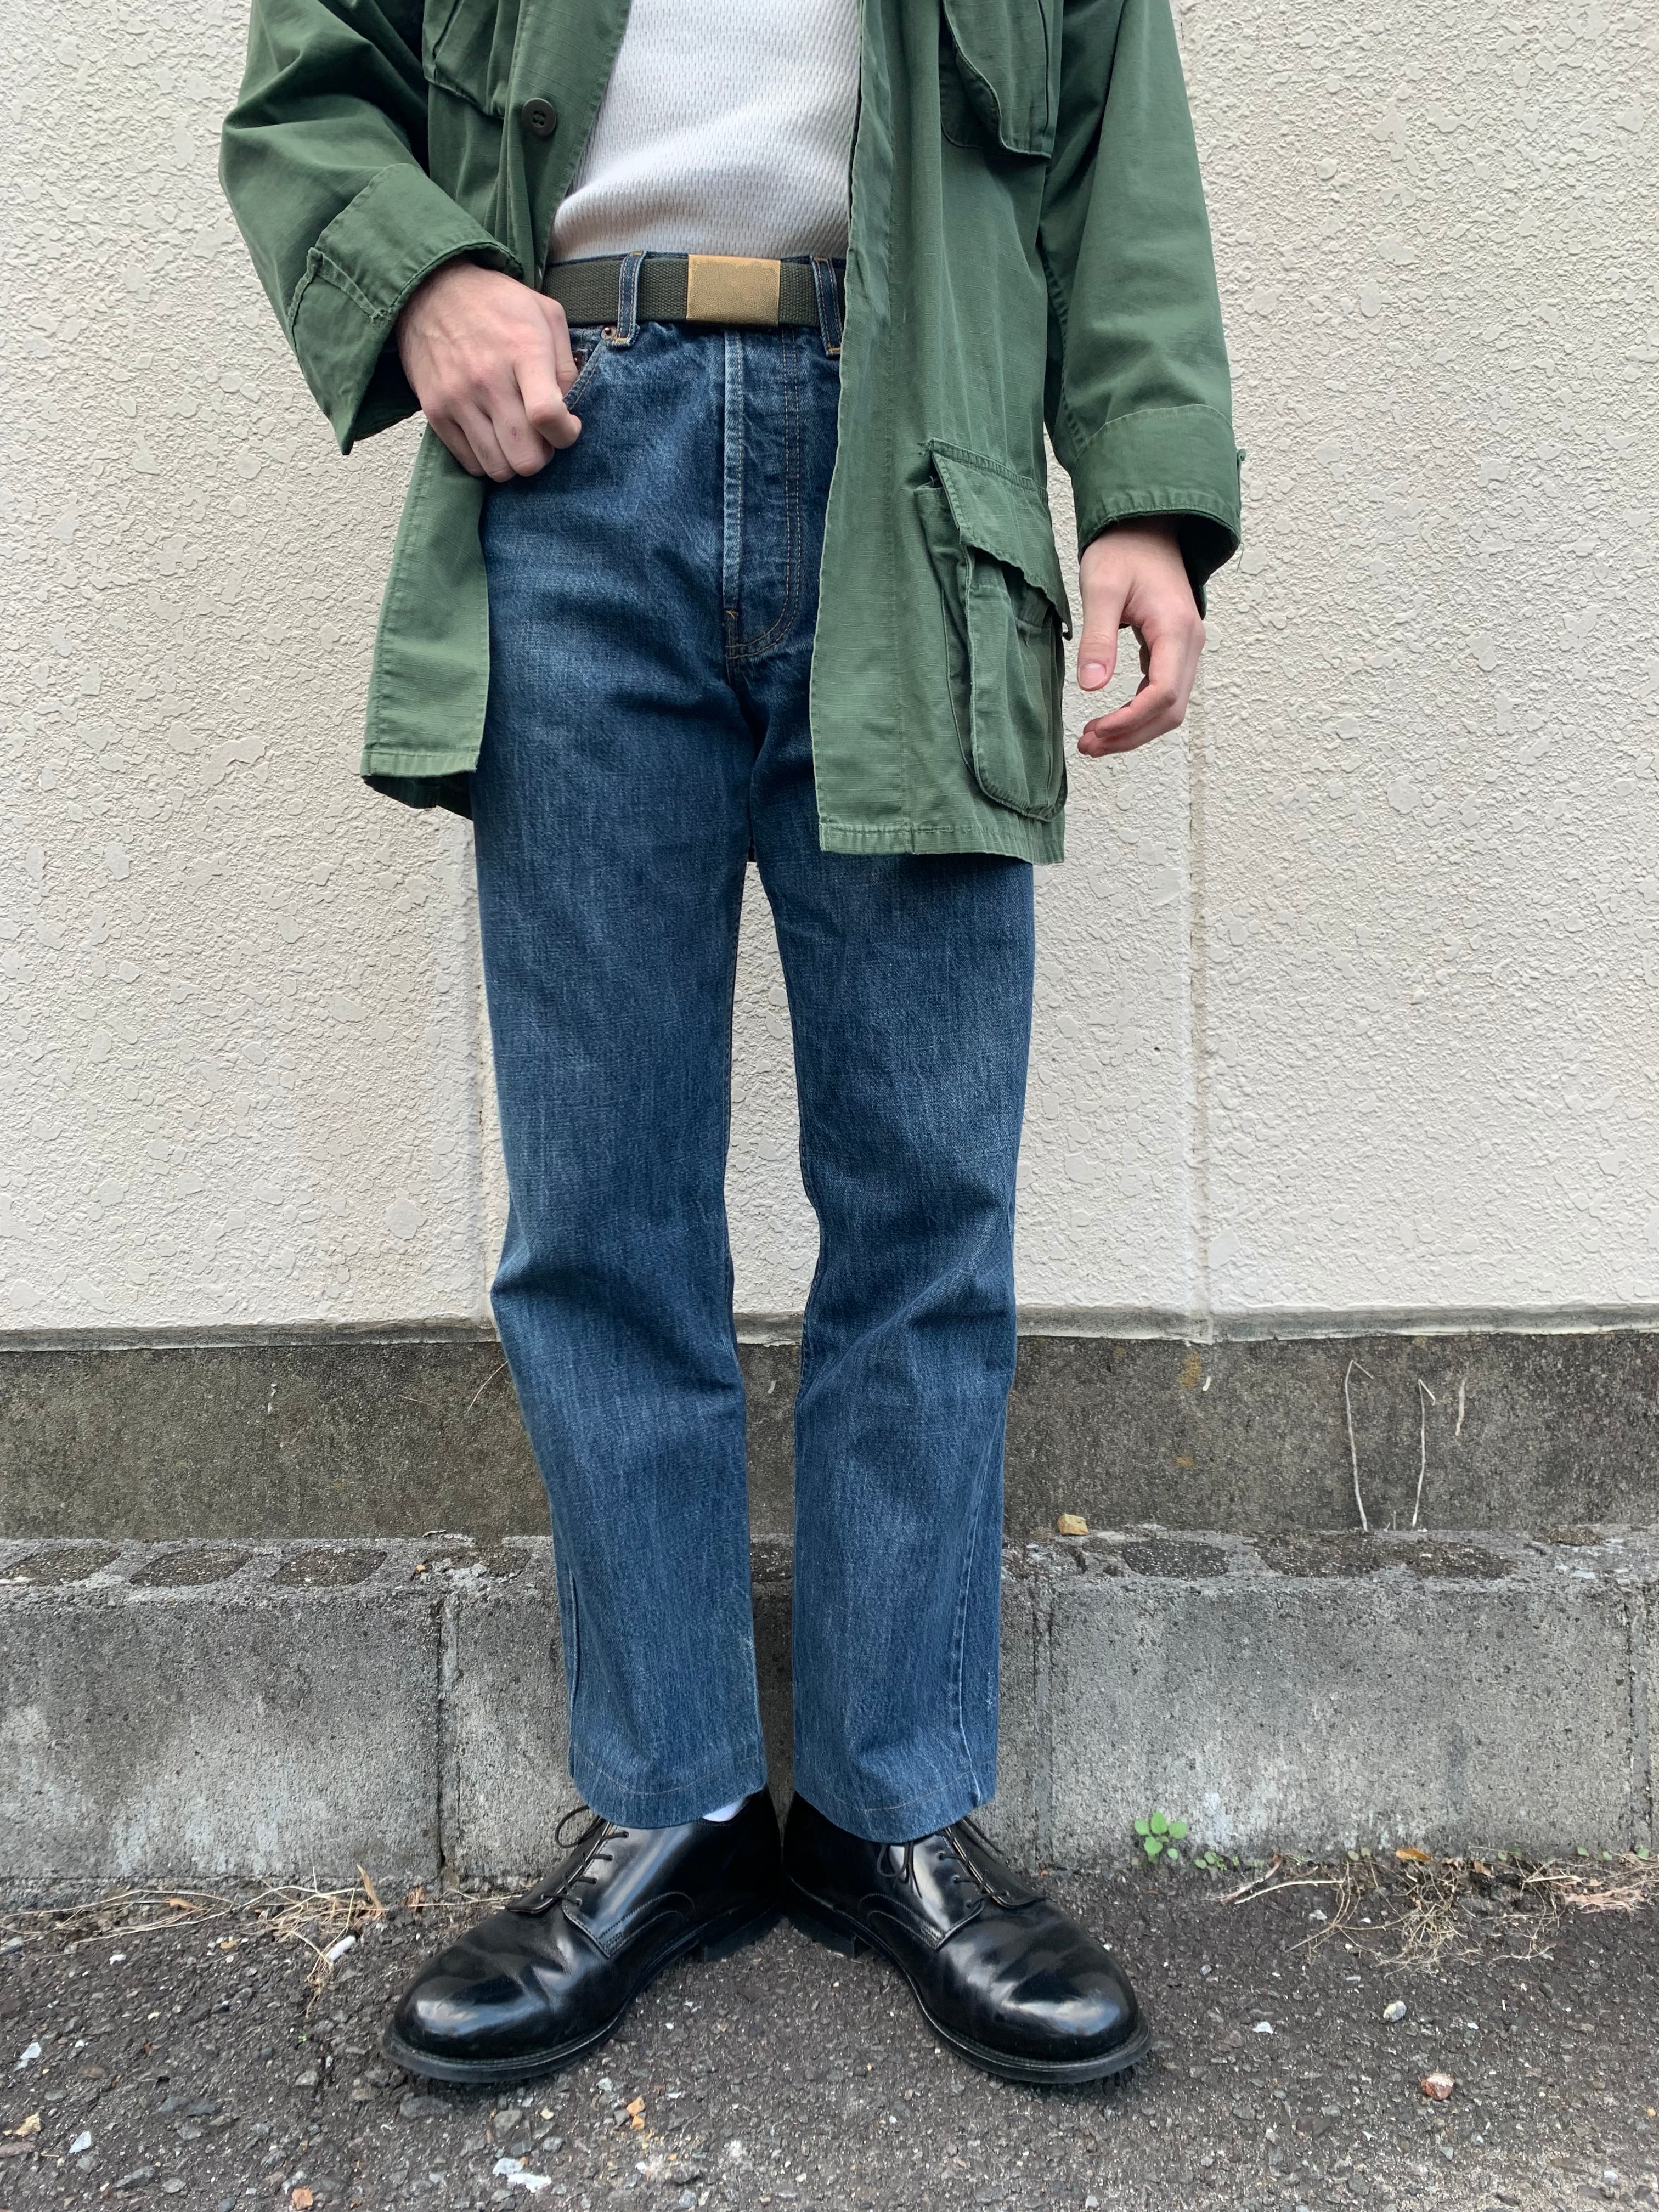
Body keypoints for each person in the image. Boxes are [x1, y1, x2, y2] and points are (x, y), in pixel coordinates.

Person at [221, 0, 1239, 2087]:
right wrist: (422, 277)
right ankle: (672, 1801)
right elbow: (312, 80)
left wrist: (1144, 487)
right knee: (598, 1207)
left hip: (921, 473)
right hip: (573, 469)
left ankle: (889, 1808)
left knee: (925, 1201)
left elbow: (1113, 136)